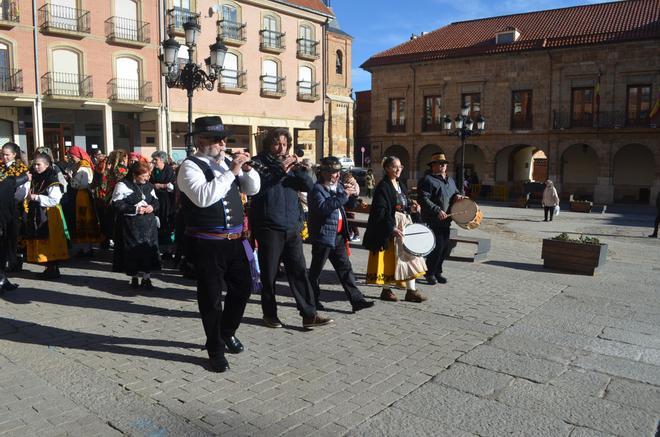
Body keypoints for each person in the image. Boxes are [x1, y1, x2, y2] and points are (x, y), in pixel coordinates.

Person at [177, 116, 260, 373]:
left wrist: (246, 170)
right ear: (201, 141)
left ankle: (227, 331)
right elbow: (204, 197)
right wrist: (232, 171)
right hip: (207, 243)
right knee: (211, 298)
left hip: (235, 241)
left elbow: (254, 189)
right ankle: (214, 348)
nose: (223, 144)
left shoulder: (225, 163)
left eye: (224, 139)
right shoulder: (189, 167)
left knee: (243, 288)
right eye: (216, 139)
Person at [250, 128, 333, 329]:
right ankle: (270, 314)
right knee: (269, 275)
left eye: (285, 144)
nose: (282, 148)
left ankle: (309, 314)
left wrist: (302, 170)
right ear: (269, 144)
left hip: (292, 226)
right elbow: (259, 187)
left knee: (298, 272)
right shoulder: (257, 162)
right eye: (277, 143)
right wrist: (281, 170)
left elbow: (310, 186)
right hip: (269, 226)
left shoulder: (291, 165)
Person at [307, 156, 375, 313]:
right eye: (333, 172)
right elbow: (324, 208)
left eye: (338, 172)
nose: (337, 175)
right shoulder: (317, 189)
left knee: (346, 269)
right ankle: (312, 301)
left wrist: (352, 196)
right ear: (323, 173)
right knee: (315, 272)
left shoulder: (337, 186)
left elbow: (346, 204)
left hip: (338, 235)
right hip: (323, 236)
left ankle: (357, 300)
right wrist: (342, 195)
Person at [363, 156, 427, 303]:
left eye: (400, 167)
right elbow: (380, 211)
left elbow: (403, 204)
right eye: (394, 167)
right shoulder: (383, 187)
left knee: (411, 256)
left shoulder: (401, 185)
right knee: (390, 259)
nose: (398, 169)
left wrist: (412, 208)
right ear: (387, 168)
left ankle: (411, 291)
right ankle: (386, 290)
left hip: (404, 225)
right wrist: (390, 227)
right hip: (390, 227)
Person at [112, 162, 161, 289]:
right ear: (135, 174)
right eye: (144, 175)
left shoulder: (149, 186)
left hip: (149, 226)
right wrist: (135, 209)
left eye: (148, 175)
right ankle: (134, 277)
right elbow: (117, 204)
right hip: (131, 226)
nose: (147, 178)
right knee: (133, 252)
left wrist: (152, 207)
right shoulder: (123, 185)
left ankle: (147, 278)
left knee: (148, 251)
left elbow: (156, 201)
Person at [417, 153, 464, 285]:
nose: (443, 165)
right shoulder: (427, 180)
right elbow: (423, 199)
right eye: (440, 163)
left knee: (444, 248)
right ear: (433, 166)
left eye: (444, 163)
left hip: (447, 219)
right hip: (433, 219)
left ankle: (438, 272)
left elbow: (455, 193)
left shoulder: (450, 180)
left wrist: (459, 197)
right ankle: (429, 273)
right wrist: (437, 210)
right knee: (437, 248)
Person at [23, 153, 69, 279]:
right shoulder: (36, 178)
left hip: (50, 214)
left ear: (47, 165)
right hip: (39, 211)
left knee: (50, 240)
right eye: (35, 164)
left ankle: (52, 268)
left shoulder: (51, 179)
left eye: (39, 164)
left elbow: (55, 200)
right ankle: (49, 268)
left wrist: (36, 197)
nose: (36, 167)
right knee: (42, 239)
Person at [67, 146, 102, 256]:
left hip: (82, 195)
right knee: (86, 219)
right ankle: (87, 247)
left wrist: (70, 177)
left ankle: (86, 248)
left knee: (84, 219)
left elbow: (78, 183)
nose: (71, 158)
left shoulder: (82, 166)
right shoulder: (84, 165)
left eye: (72, 156)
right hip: (84, 194)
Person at [1, 142, 29, 272]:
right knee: (4, 235)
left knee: (14, 234)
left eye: (7, 155)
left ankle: (15, 261)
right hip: (2, 207)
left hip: (15, 206)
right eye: (3, 154)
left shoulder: (21, 168)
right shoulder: (1, 167)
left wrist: (10, 200)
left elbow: (23, 190)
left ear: (14, 154)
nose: (4, 157)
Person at [0, 170, 28, 291]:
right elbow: (7, 184)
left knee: (2, 251)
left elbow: (7, 184)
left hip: (4, 219)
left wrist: (25, 177)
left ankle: (2, 279)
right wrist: (25, 177)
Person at [150, 151, 177, 258]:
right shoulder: (154, 171)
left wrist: (161, 185)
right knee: (158, 223)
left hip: (167, 202)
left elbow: (173, 186)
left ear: (162, 160)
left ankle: (168, 250)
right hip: (156, 201)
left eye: (155, 160)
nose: (153, 161)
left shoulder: (169, 171)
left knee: (167, 223)